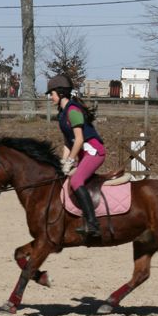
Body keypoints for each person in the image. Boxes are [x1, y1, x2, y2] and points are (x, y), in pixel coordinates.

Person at [47, 74, 105, 237]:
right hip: (83, 154)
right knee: (63, 177)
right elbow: (68, 143)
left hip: (94, 152)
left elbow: (79, 140)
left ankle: (93, 224)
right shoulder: (62, 115)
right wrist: (63, 163)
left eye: (52, 93)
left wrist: (71, 160)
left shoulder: (73, 111)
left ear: (61, 93)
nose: (51, 97)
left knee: (77, 180)